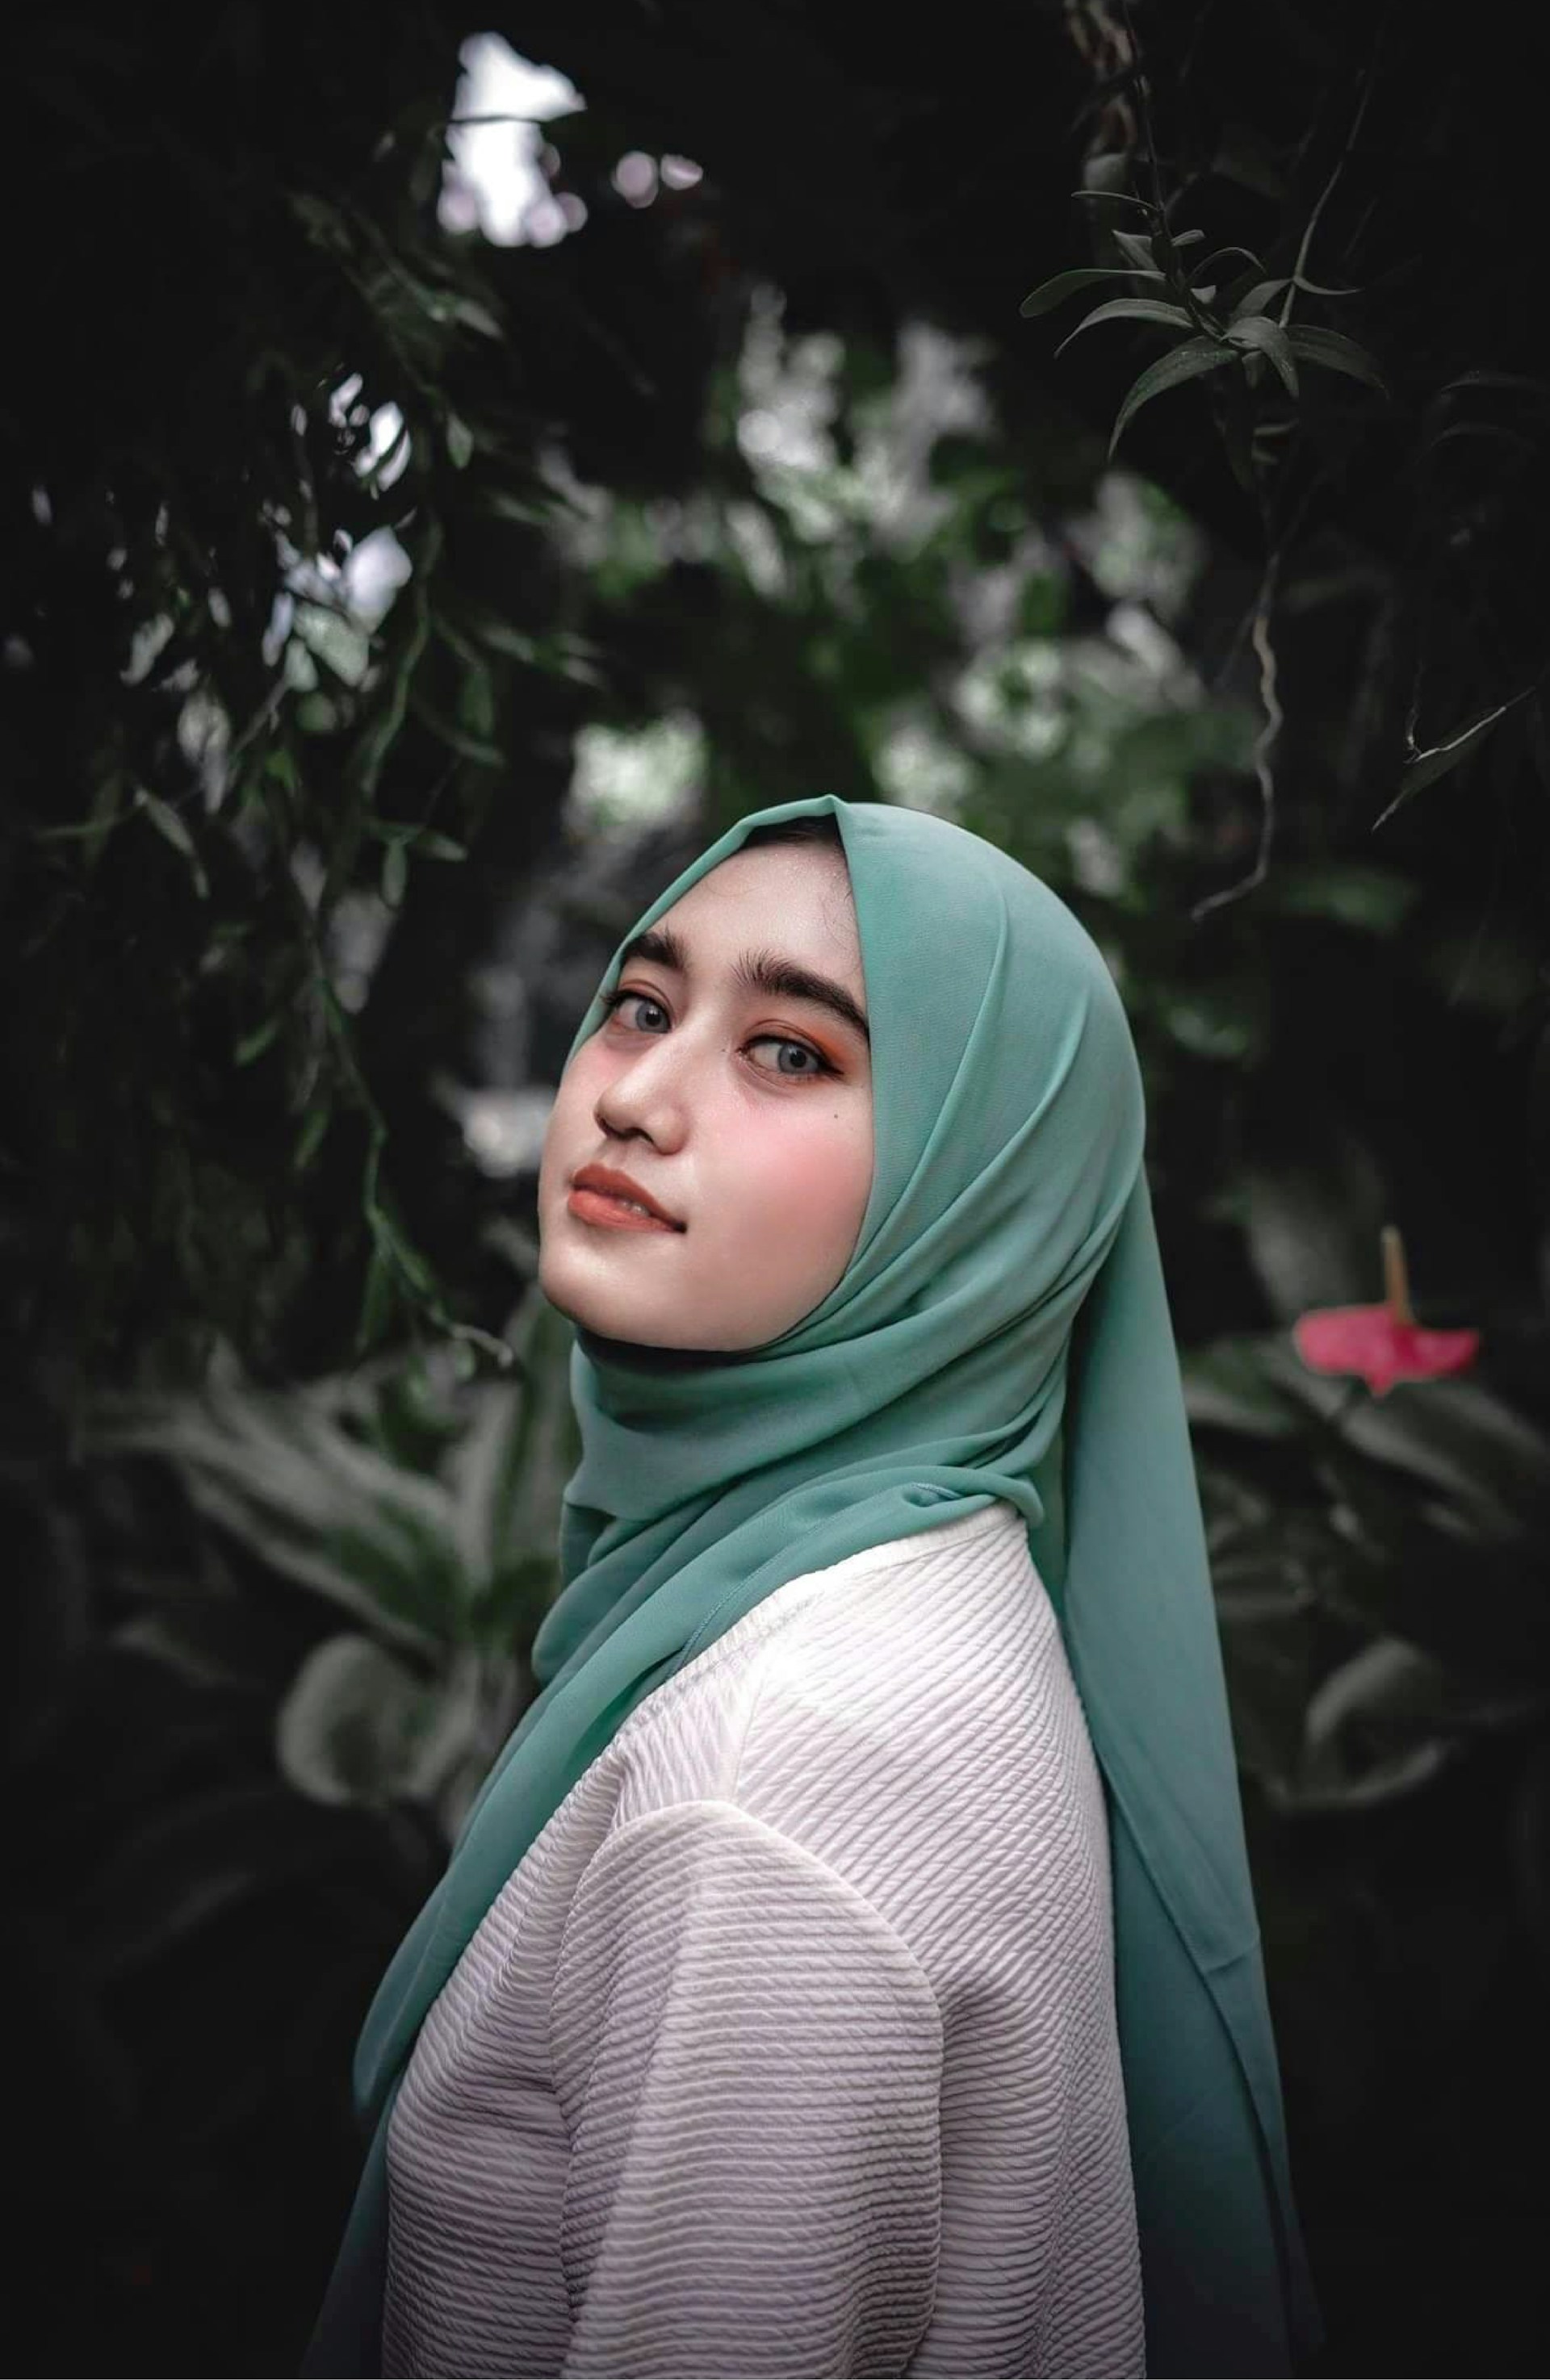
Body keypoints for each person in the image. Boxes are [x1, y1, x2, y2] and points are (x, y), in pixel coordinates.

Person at [300, 793, 1322, 2379]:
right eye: (639, 1005)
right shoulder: (929, 1587)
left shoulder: (781, 1770)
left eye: (792, 1051)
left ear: (984, 1190)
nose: (635, 1095)